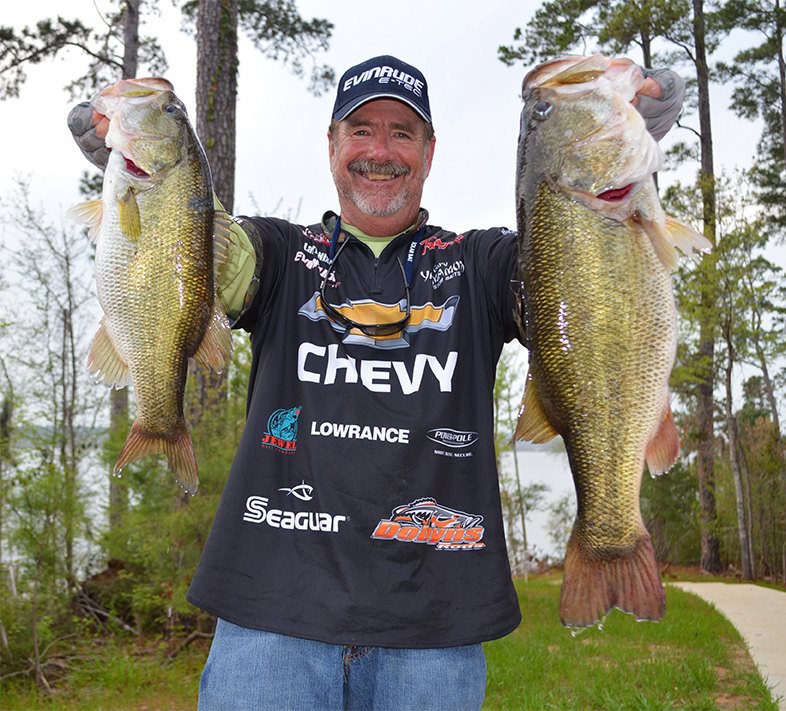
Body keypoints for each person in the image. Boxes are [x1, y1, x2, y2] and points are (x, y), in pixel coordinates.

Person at [69, 55, 685, 710]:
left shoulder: (482, 264)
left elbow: (585, 278)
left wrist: (637, 125)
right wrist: (141, 167)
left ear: (429, 152)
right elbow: (191, 253)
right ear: (333, 146)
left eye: (402, 132)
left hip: (434, 630)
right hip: (269, 618)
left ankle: (611, 538)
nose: (380, 151)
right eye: (361, 130)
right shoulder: (276, 253)